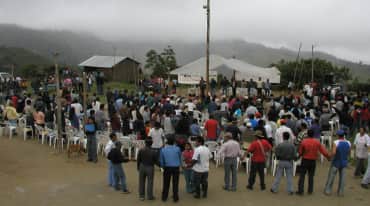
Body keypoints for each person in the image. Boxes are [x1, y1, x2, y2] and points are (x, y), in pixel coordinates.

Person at [296, 129, 330, 195]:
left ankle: (301, 190)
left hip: (305, 160)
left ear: (307, 134)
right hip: (313, 161)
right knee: (311, 176)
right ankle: (310, 190)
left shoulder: (304, 142)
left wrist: (298, 157)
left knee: (302, 175)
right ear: (313, 134)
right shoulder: (317, 142)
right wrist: (328, 157)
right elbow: (323, 151)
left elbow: (300, 152)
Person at [324, 130, 351, 196]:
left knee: (331, 176)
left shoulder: (336, 142)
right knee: (342, 178)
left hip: (336, 162)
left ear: (338, 136)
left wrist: (329, 156)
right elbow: (349, 153)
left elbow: (333, 152)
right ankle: (340, 192)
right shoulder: (348, 142)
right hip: (344, 162)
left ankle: (328, 190)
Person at [159, 135, 182, 202]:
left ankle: (164, 197)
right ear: (174, 142)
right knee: (175, 183)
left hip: (167, 167)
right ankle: (175, 197)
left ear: (167, 142)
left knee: (166, 183)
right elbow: (180, 157)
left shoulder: (163, 149)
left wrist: (162, 167)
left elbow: (161, 160)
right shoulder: (178, 148)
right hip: (176, 167)